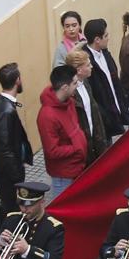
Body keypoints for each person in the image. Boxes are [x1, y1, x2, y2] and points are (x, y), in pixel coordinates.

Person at [0, 62, 34, 230]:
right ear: (17, 81)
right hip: (6, 172)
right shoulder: (7, 111)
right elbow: (5, 148)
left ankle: (3, 235)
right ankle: (4, 237)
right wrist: (17, 175)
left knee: (6, 203)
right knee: (11, 207)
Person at [37, 65, 87, 197]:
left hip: (77, 167)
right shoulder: (47, 116)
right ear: (65, 87)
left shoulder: (69, 102)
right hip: (63, 176)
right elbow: (52, 151)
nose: (78, 85)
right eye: (75, 83)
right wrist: (77, 147)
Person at [66, 49, 109, 165]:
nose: (91, 67)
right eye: (88, 65)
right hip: (82, 149)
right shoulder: (70, 93)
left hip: (94, 142)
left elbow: (93, 114)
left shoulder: (85, 83)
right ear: (79, 70)